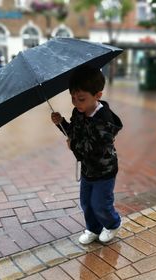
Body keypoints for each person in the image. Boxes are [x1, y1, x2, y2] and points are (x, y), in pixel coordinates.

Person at [51, 65, 123, 244]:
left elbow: (93, 148)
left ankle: (113, 223)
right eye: (73, 98)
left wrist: (73, 145)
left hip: (104, 170)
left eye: (81, 98)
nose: (76, 103)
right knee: (86, 203)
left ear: (97, 95)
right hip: (88, 170)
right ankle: (93, 228)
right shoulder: (79, 112)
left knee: (100, 203)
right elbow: (74, 134)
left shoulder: (104, 120)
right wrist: (61, 124)